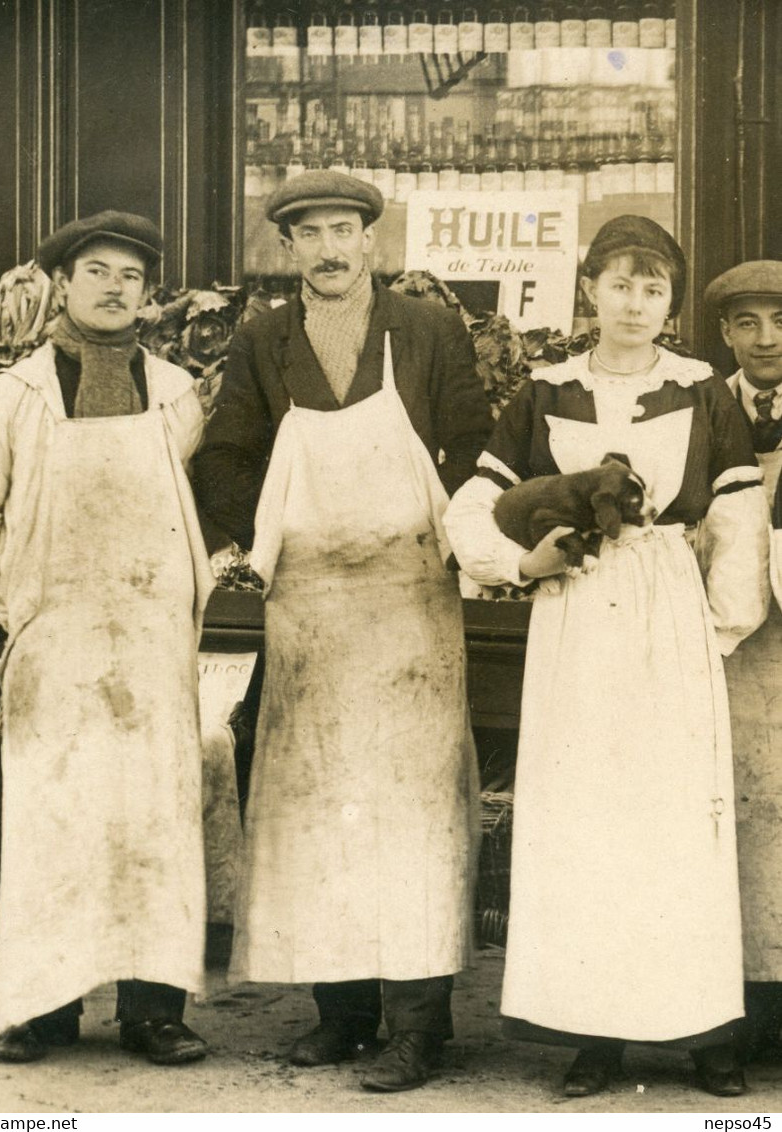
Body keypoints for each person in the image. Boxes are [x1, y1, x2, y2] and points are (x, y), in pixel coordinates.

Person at [444, 215, 769, 1098]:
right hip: (578, 616)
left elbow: (736, 517)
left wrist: (718, 631)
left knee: (674, 822)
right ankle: (597, 1034)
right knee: (587, 821)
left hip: (671, 612)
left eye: (654, 288)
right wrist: (518, 563)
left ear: (670, 303)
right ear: (589, 289)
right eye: (620, 284)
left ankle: (704, 1031)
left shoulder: (701, 389)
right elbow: (472, 504)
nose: (636, 303)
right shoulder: (545, 390)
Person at [192, 170, 490, 1092]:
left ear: (371, 240)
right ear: (288, 250)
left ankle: (417, 1026)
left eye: (344, 231)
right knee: (317, 811)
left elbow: (476, 448)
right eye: (309, 234)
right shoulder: (262, 342)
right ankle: (344, 1014)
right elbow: (226, 459)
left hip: (411, 605)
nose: (328, 248)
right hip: (312, 609)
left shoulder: (431, 331)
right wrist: (276, 536)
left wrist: (462, 536)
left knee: (412, 816)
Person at [0, 211, 214, 1066]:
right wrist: (20, 607)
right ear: (62, 284)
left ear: (147, 296)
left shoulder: (175, 393)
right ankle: (44, 1010)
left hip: (149, 644)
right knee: (54, 822)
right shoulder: (11, 395)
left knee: (155, 822)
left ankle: (154, 1014)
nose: (112, 288)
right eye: (95, 271)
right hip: (53, 645)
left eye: (129, 277)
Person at [705, 261, 782, 1061]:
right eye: (749, 323)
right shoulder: (699, 407)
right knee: (733, 815)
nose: (767, 340)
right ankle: (736, 1005)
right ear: (725, 333)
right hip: (720, 642)